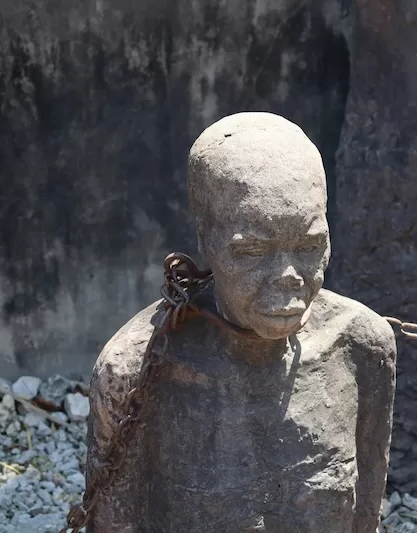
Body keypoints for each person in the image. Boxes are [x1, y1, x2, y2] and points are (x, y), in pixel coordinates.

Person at [83, 112, 397, 533]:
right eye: (252, 252)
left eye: (310, 246)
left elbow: (365, 516)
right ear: (205, 237)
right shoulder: (134, 371)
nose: (288, 277)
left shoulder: (361, 347)